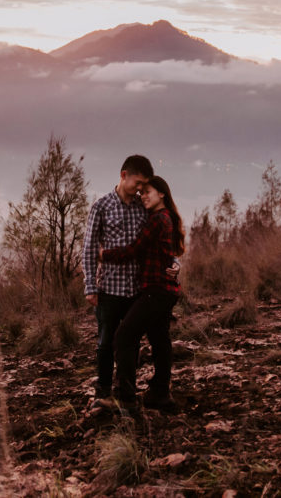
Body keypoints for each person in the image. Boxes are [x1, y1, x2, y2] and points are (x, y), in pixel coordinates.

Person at [101, 175, 185, 410]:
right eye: (142, 193)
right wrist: (176, 264)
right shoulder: (164, 217)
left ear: (162, 194)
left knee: (124, 336)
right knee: (159, 339)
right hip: (164, 291)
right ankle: (160, 393)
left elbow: (134, 250)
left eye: (148, 192)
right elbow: (169, 253)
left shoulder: (159, 219)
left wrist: (103, 255)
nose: (144, 196)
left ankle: (125, 397)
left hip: (156, 291)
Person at [82, 154, 154, 402]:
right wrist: (90, 286)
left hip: (136, 290)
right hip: (108, 289)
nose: (140, 190)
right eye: (138, 184)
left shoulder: (142, 208)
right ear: (124, 176)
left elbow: (155, 241)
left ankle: (126, 394)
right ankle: (102, 393)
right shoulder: (101, 206)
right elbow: (90, 248)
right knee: (105, 343)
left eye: (144, 186)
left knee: (130, 344)